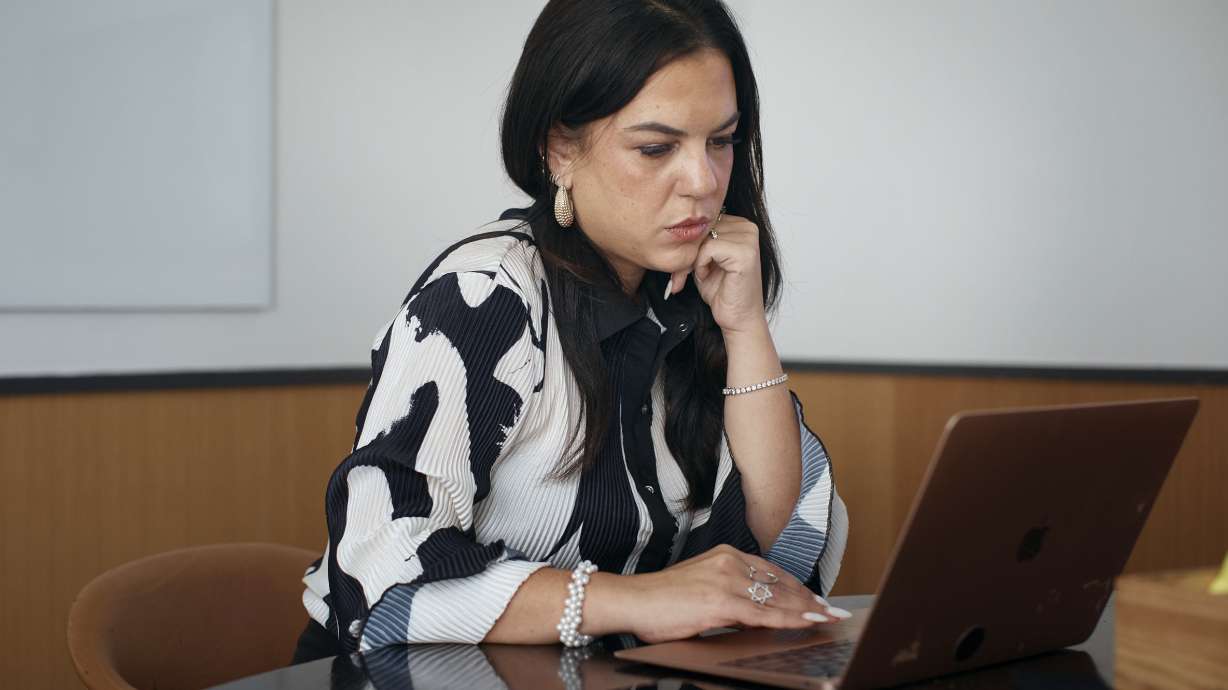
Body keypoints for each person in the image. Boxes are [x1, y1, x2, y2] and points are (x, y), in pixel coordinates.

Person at [294, 0, 848, 661]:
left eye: (721, 142)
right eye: (656, 147)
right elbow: (380, 566)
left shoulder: (690, 284)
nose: (703, 183)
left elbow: (775, 532)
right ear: (559, 149)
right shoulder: (485, 297)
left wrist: (746, 325)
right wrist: (638, 599)